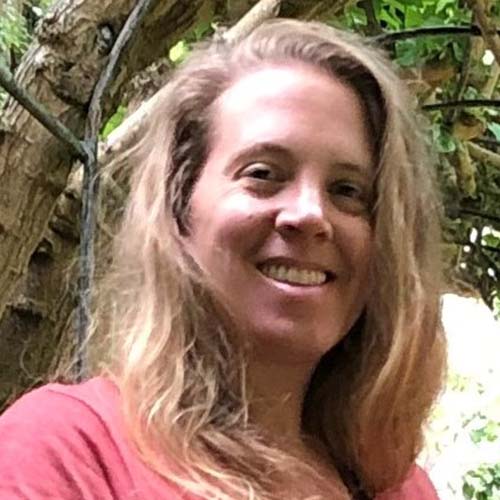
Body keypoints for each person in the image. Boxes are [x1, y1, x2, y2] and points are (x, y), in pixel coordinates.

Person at [0, 18, 446, 500]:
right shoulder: (65, 452)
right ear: (179, 205)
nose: (311, 214)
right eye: (264, 173)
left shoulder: (399, 486)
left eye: (348, 191)